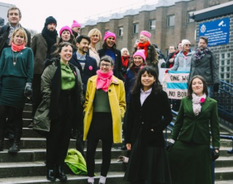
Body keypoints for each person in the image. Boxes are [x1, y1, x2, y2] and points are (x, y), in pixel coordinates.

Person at [34, 42, 83, 182]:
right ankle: (50, 167)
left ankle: (60, 167)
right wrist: (52, 103)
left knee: (65, 139)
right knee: (53, 139)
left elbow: (79, 88)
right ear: (59, 52)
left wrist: (78, 104)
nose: (68, 53)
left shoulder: (74, 69)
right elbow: (45, 85)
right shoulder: (52, 67)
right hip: (56, 105)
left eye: (70, 51)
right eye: (65, 50)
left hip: (70, 106)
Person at [124, 66, 172, 184]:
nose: (146, 78)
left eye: (150, 76)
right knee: (137, 174)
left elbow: (168, 116)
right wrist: (128, 139)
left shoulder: (161, 95)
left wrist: (155, 128)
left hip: (153, 139)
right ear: (139, 78)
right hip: (137, 138)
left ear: (155, 79)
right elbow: (129, 118)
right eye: (144, 76)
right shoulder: (134, 94)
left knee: (152, 175)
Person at [168, 75, 220, 184]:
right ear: (191, 86)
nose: (197, 85)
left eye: (199, 83)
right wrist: (172, 139)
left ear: (204, 85)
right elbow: (178, 122)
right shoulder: (185, 101)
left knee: (200, 174)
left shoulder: (212, 103)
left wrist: (216, 146)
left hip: (201, 142)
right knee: (175, 164)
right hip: (184, 140)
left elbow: (215, 127)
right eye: (194, 83)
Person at [0, 6, 31, 139]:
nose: (13, 16)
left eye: (16, 14)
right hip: (0, 70)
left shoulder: (26, 32)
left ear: (20, 17)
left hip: (17, 73)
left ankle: (10, 129)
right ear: (8, 16)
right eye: (11, 14)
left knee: (14, 104)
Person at [83, 56, 126, 184]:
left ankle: (103, 177)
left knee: (106, 151)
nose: (104, 67)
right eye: (102, 64)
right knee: (90, 150)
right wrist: (86, 110)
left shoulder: (118, 82)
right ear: (99, 66)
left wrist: (120, 114)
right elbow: (87, 100)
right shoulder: (92, 80)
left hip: (109, 120)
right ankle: (90, 176)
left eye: (107, 65)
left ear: (112, 67)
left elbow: (122, 103)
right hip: (94, 119)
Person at [0, 28, 34, 153]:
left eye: (22, 37)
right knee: (1, 115)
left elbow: (30, 69)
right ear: (13, 37)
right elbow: (1, 67)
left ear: (24, 40)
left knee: (17, 116)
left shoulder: (28, 51)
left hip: (19, 86)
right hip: (6, 85)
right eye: (17, 36)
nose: (19, 38)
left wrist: (29, 83)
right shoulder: (5, 51)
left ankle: (16, 143)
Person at [69, 35, 97, 157]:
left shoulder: (92, 61)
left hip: (87, 97)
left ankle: (81, 152)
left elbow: (96, 78)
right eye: (84, 43)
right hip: (71, 96)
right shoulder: (70, 59)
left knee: (83, 125)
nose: (86, 46)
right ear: (77, 44)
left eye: (88, 44)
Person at [29, 16, 58, 127]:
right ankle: (34, 119)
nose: (52, 26)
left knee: (49, 96)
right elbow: (32, 53)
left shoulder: (57, 39)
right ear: (46, 25)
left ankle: (46, 119)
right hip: (38, 71)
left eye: (54, 24)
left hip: (52, 72)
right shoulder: (38, 37)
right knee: (36, 96)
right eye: (50, 24)